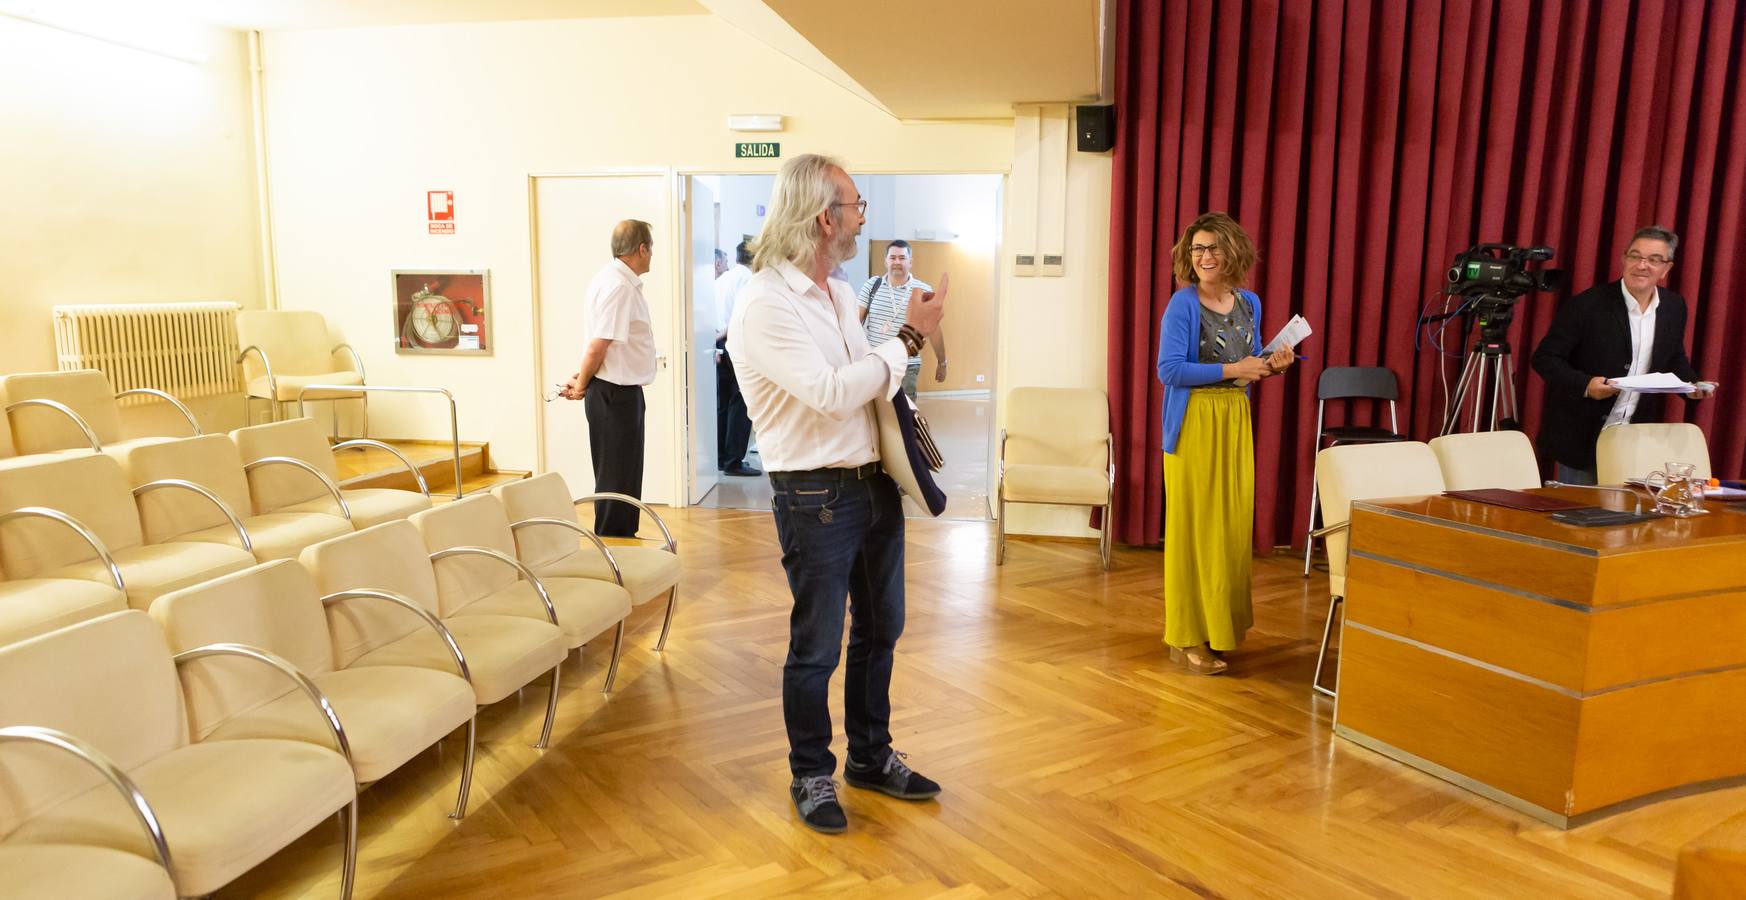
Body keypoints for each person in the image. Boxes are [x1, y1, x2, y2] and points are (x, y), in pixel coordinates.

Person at [728, 154, 946, 834]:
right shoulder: (765, 302)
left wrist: (890, 357)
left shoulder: (837, 287)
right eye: (856, 206)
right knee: (817, 645)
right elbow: (829, 394)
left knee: (882, 630)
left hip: (871, 483)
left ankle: (870, 760)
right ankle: (812, 774)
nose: (862, 217)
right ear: (825, 218)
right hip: (814, 494)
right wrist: (908, 338)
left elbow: (865, 380)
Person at [1154, 212, 1294, 675]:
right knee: (1195, 530)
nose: (1204, 256)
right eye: (1197, 249)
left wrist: (1272, 365)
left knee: (1229, 529)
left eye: (1212, 247)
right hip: (1194, 422)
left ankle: (1219, 627)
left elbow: (1245, 364)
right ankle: (1186, 637)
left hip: (1235, 420)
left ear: (1232, 252)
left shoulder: (1248, 301)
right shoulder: (1182, 304)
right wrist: (1237, 370)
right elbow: (1169, 370)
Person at [1531, 226, 1713, 485]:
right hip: (1581, 438)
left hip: (1633, 440)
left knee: (1627, 519)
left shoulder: (1674, 307)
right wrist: (1585, 385)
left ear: (1666, 269)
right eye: (1635, 256)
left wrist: (1692, 386)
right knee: (1579, 519)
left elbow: (1672, 357)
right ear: (1623, 260)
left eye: (1653, 260)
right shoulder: (1588, 305)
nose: (1642, 265)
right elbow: (1545, 358)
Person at [560, 219, 657, 537]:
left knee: (625, 474)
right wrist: (583, 382)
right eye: (651, 248)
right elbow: (598, 345)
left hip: (620, 391)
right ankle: (613, 544)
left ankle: (624, 541)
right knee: (616, 476)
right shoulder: (618, 286)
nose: (652, 254)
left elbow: (602, 347)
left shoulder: (616, 281)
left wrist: (585, 379)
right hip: (614, 394)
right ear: (642, 249)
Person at [858, 240, 949, 399]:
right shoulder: (872, 285)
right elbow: (855, 323)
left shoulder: (923, 291)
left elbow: (934, 331)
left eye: (902, 258)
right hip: (874, 362)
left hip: (906, 366)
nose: (897, 262)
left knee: (904, 416)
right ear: (886, 261)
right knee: (873, 416)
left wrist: (942, 362)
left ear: (910, 262)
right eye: (892, 258)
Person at [715, 240, 758, 475]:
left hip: (718, 343)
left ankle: (721, 457)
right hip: (736, 342)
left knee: (723, 404)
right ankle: (734, 461)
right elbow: (743, 317)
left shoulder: (723, 279)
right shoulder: (749, 280)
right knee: (741, 404)